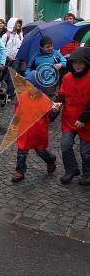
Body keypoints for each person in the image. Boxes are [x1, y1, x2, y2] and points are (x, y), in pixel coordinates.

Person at [10, 71, 58, 182]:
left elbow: (50, 117)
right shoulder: (21, 98)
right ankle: (20, 171)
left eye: (31, 85)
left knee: (41, 151)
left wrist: (55, 111)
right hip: (24, 132)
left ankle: (50, 160)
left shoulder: (44, 99)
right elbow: (17, 113)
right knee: (21, 152)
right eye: (26, 84)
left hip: (38, 132)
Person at [52, 47, 90, 185]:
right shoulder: (67, 77)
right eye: (75, 62)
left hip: (86, 122)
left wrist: (83, 119)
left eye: (81, 62)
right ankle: (71, 169)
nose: (77, 65)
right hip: (69, 119)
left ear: (86, 63)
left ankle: (87, 174)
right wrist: (57, 103)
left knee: (86, 151)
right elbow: (62, 94)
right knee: (65, 145)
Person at [1, 17, 22, 99]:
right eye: (17, 23)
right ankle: (6, 91)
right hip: (6, 60)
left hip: (16, 60)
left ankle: (9, 95)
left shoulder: (20, 35)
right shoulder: (6, 36)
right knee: (4, 77)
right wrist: (6, 55)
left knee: (12, 77)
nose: (19, 25)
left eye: (19, 23)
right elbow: (2, 47)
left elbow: (21, 46)